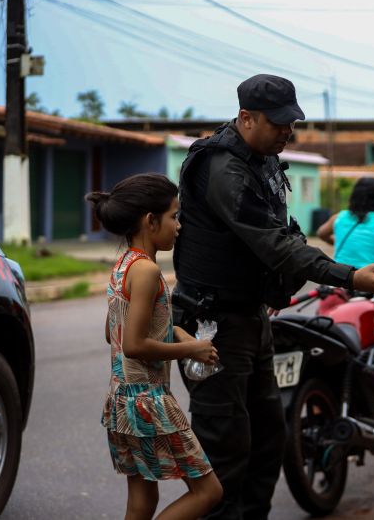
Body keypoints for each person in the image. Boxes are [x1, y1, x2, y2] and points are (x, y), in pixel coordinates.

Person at [171, 74, 374, 519]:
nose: (288, 132)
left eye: (291, 123)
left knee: (270, 439)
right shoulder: (224, 170)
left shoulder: (262, 160)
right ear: (246, 118)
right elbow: (275, 244)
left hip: (253, 318)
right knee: (225, 452)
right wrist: (351, 277)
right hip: (213, 326)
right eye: (278, 123)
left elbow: (285, 233)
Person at [86, 173, 223, 519]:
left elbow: (113, 333)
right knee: (208, 491)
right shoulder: (147, 271)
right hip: (148, 402)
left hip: (122, 401)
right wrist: (192, 349)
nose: (179, 226)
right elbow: (133, 344)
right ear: (150, 221)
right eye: (174, 216)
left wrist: (174, 331)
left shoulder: (123, 265)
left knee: (143, 500)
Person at [316, 177, 374, 268]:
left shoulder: (338, 217)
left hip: (339, 274)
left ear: (354, 196)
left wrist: (335, 242)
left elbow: (321, 233)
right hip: (370, 275)